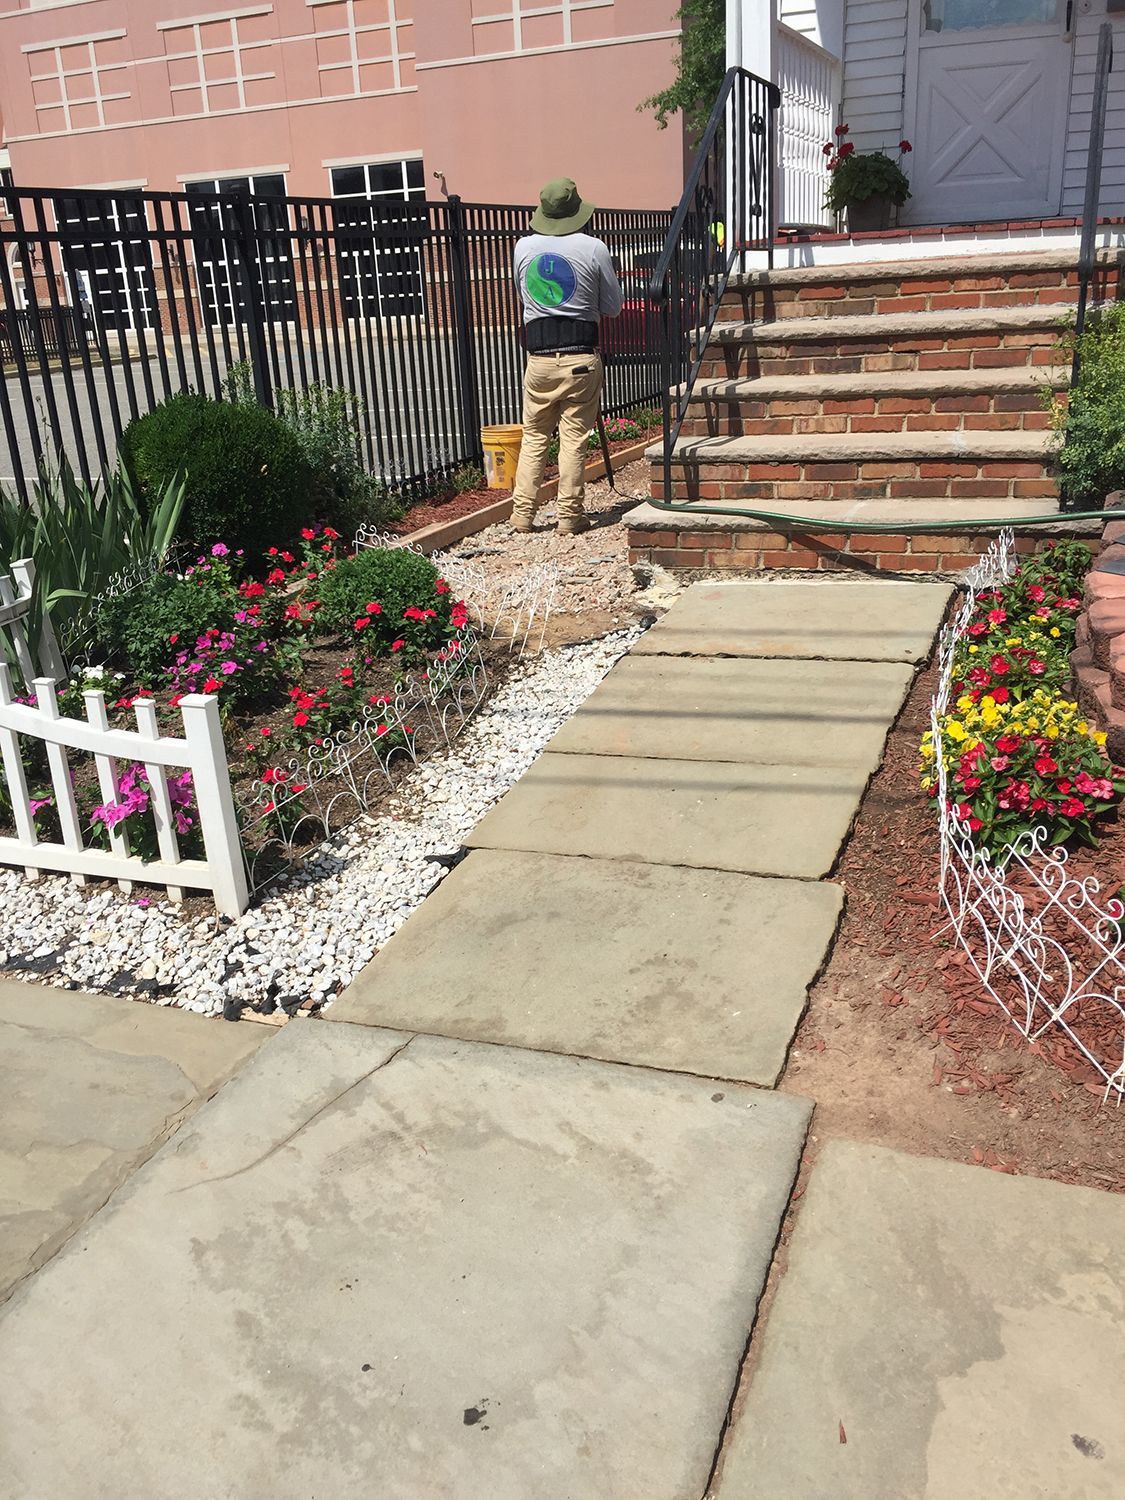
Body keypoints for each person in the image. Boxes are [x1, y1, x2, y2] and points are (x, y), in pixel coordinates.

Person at [511, 177, 623, 535]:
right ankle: (569, 517)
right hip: (580, 356)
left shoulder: (523, 248)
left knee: (534, 436)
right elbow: (614, 307)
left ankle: (522, 514)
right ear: (577, 210)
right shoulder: (594, 248)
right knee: (573, 439)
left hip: (539, 358)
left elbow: (523, 296)